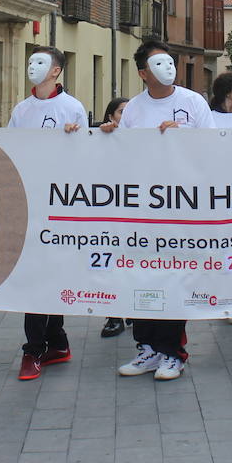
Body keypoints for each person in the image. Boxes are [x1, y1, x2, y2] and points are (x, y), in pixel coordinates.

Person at [0, 46, 86, 381]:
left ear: (56, 71)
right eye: (30, 61)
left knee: (52, 274)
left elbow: (85, 158)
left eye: (40, 62)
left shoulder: (73, 108)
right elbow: (9, 150)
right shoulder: (22, 109)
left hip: (60, 205)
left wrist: (76, 141)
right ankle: (41, 346)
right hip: (29, 202)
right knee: (35, 274)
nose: (32, 66)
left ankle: (49, 344)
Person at [103, 40, 215, 381]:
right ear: (142, 73)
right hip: (142, 209)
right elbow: (121, 155)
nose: (167, 68)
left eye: (169, 61)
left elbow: (214, 148)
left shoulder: (193, 103)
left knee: (173, 277)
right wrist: (108, 135)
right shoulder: (134, 109)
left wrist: (185, 137)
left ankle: (172, 352)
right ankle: (147, 348)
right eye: (157, 63)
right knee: (142, 275)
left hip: (181, 209)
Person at [98, 96, 132, 340]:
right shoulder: (100, 140)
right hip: (109, 216)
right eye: (121, 112)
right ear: (110, 116)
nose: (126, 117)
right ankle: (113, 315)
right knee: (110, 264)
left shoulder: (144, 139)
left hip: (135, 216)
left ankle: (133, 309)